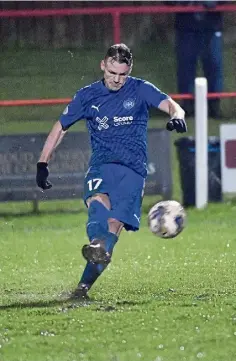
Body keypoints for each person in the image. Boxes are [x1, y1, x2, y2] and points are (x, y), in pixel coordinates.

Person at [36, 43, 187, 300]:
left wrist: (178, 116)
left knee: (113, 227)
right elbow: (60, 128)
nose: (117, 79)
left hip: (133, 171)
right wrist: (42, 163)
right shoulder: (87, 96)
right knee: (97, 200)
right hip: (102, 164)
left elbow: (173, 105)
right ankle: (95, 244)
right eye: (112, 72)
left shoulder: (140, 89)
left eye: (123, 74)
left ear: (129, 71)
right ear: (103, 65)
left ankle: (82, 288)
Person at [168, 1, 224, 118]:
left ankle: (213, 106)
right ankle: (187, 105)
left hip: (211, 25)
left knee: (213, 64)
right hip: (186, 26)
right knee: (186, 66)